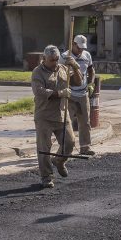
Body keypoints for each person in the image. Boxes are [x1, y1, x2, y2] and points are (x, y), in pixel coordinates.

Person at [31, 45, 81, 188]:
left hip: (62, 114)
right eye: (52, 60)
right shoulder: (37, 72)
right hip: (44, 116)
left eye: (57, 59)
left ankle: (59, 161)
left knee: (69, 143)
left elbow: (78, 81)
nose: (55, 63)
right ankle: (46, 176)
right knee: (44, 148)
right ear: (44, 59)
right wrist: (59, 93)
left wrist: (75, 67)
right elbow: (39, 91)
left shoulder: (63, 69)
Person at [61, 35, 95, 156]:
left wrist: (91, 83)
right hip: (70, 94)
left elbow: (91, 70)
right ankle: (65, 149)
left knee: (85, 122)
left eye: (82, 47)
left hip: (83, 94)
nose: (81, 50)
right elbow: (62, 76)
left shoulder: (87, 55)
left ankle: (85, 147)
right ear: (73, 44)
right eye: (79, 47)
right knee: (67, 122)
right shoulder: (65, 57)